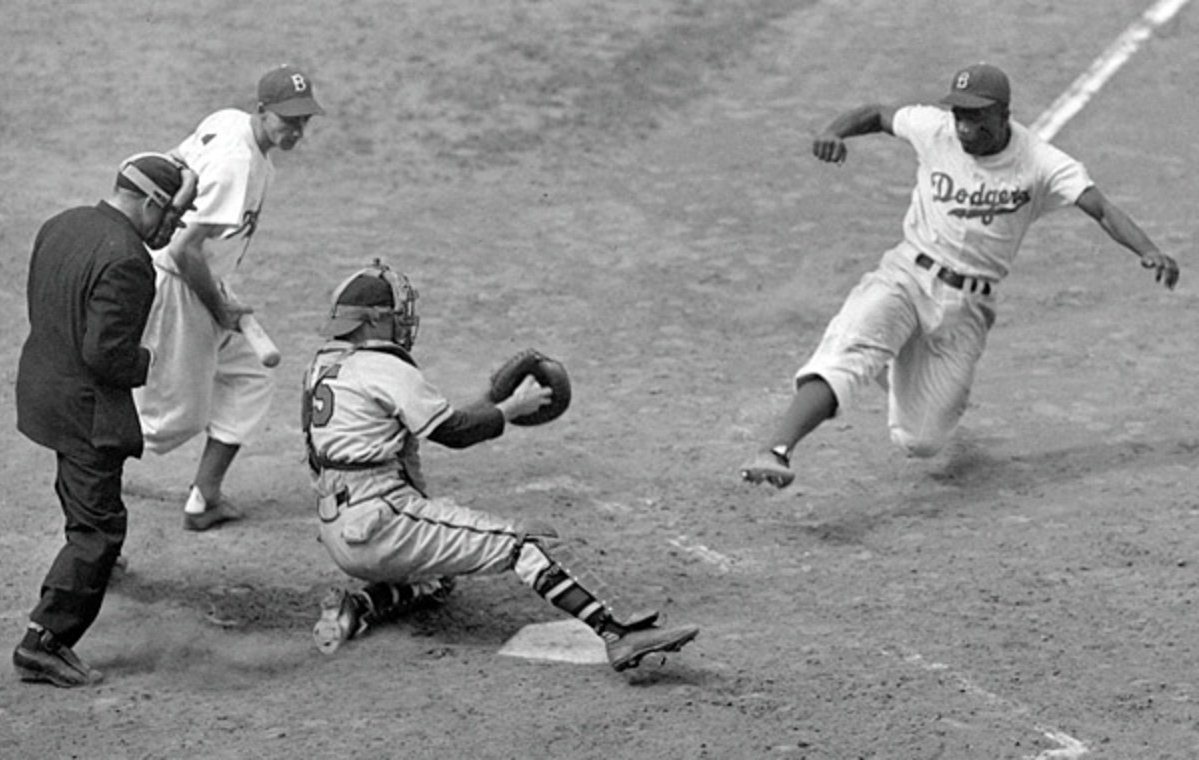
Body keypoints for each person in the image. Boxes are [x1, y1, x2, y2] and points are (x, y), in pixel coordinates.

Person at [740, 62, 1179, 489]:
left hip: (969, 308)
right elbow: (876, 114)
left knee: (921, 441)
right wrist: (833, 130)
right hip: (907, 276)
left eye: (977, 117)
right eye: (960, 115)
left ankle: (894, 362)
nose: (965, 127)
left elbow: (1099, 207)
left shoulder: (1040, 161)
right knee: (847, 354)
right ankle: (776, 450)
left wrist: (1148, 250)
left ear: (1004, 113)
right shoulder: (935, 129)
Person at [302, 260, 700, 672]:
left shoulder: (323, 367)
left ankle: (358, 607)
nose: (403, 323)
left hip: (341, 529)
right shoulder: (383, 366)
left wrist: (489, 400)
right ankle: (619, 632)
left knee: (438, 576)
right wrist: (510, 409)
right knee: (528, 542)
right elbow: (454, 432)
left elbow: (430, 422)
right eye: (394, 316)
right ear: (371, 322)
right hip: (386, 522)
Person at [14, 153, 197, 687]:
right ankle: (44, 641)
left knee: (80, 498)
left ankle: (88, 576)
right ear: (148, 202)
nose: (174, 228)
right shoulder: (128, 259)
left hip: (43, 390)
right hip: (85, 409)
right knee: (99, 530)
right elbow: (106, 353)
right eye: (172, 215)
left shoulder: (61, 224)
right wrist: (146, 362)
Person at [133, 64, 324, 531]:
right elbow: (182, 250)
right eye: (287, 119)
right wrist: (220, 310)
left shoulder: (228, 122)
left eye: (304, 119)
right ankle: (85, 455)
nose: (296, 130)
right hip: (179, 286)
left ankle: (205, 497)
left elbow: (174, 164)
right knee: (168, 420)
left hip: (199, 279)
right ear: (262, 110)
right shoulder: (237, 164)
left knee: (252, 373)